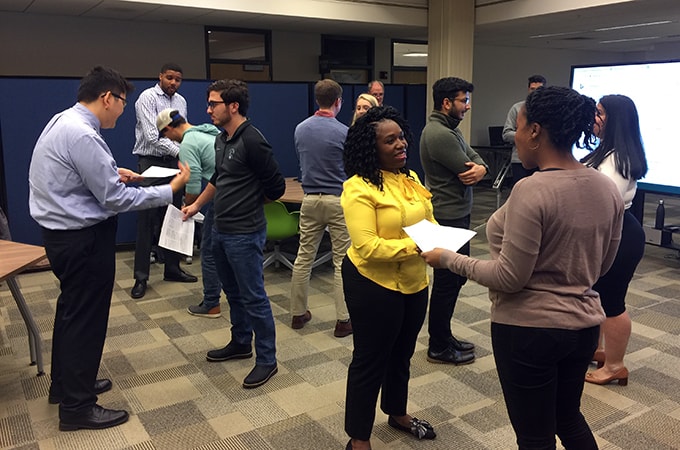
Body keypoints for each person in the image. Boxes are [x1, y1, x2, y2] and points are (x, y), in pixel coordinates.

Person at [421, 86, 624, 450]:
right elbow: (602, 266)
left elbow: (508, 278)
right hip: (583, 328)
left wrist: (447, 259)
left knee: (534, 437)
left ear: (535, 131)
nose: (513, 137)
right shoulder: (605, 187)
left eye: (518, 126)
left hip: (530, 332)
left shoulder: (533, 189)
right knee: (569, 417)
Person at [28, 66, 190, 431]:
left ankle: (67, 385)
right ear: (107, 98)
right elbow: (114, 198)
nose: (122, 110)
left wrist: (113, 170)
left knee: (72, 313)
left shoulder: (64, 121)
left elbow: (72, 174)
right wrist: (172, 188)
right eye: (121, 103)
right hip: (83, 240)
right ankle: (77, 408)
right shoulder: (84, 134)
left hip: (62, 236)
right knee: (86, 321)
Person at [342, 106, 437, 450]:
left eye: (401, 137)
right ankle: (359, 437)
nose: (401, 144)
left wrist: (440, 240)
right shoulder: (358, 187)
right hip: (372, 284)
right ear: (372, 148)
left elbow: (429, 223)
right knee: (370, 359)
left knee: (402, 353)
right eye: (390, 140)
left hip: (414, 282)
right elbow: (367, 247)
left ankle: (397, 412)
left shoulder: (410, 178)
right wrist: (418, 247)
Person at [182, 79, 285, 389]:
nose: (208, 109)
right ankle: (241, 342)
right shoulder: (221, 139)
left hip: (244, 232)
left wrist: (250, 202)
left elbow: (276, 188)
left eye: (214, 104)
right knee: (233, 293)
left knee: (254, 296)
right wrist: (197, 204)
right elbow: (219, 177)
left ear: (233, 106)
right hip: (220, 229)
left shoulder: (253, 140)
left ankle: (267, 359)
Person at [419, 77, 488, 365]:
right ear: (446, 103)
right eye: (464, 101)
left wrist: (482, 168)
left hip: (457, 214)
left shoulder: (450, 129)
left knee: (456, 279)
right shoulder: (440, 134)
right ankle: (437, 344)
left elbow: (475, 159)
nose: (468, 107)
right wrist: (478, 167)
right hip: (447, 217)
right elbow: (465, 166)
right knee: (448, 281)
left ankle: (444, 335)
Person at [582, 95, 648, 386]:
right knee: (596, 294)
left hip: (620, 236)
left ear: (614, 120)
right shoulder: (606, 151)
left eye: (599, 113)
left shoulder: (616, 159)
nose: (593, 118)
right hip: (611, 233)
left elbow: (602, 205)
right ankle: (597, 350)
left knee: (612, 301)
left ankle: (615, 365)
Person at [290, 79, 352, 337]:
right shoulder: (344, 132)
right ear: (338, 101)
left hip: (310, 200)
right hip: (337, 200)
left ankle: (297, 314)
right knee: (341, 262)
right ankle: (343, 320)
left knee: (304, 258)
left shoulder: (300, 129)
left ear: (317, 100)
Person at [130, 62, 196, 299]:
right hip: (151, 161)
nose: (173, 83)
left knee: (174, 216)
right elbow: (152, 135)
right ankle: (140, 277)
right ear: (160, 76)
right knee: (146, 217)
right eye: (169, 78)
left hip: (173, 163)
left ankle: (172, 268)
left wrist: (184, 153)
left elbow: (182, 133)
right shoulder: (146, 98)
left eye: (178, 79)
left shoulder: (181, 102)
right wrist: (181, 152)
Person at [155, 108, 223, 318]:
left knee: (210, 251)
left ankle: (211, 303)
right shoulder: (209, 132)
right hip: (237, 196)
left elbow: (192, 185)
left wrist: (188, 206)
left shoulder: (187, 144)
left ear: (168, 129)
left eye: (165, 135)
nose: (170, 140)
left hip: (222, 197)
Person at [503, 75, 546, 184]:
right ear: (528, 89)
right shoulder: (517, 108)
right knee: (521, 192)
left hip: (542, 159)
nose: (535, 92)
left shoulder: (548, 110)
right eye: (532, 89)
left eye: (539, 89)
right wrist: (529, 136)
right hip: (519, 160)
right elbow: (506, 134)